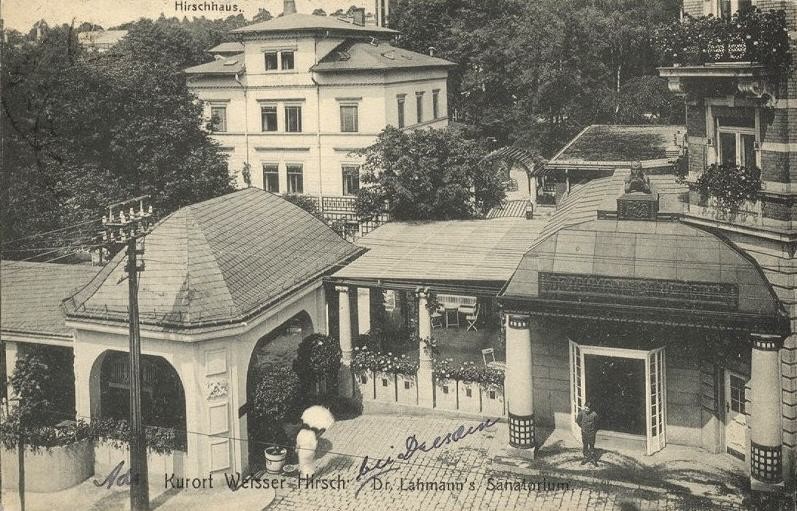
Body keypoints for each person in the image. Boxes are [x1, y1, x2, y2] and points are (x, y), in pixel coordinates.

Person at [576, 401, 599, 466]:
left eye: (588, 409)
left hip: (591, 433)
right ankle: (585, 458)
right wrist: (582, 427)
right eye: (585, 408)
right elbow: (578, 421)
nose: (586, 410)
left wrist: (594, 430)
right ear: (584, 407)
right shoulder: (581, 413)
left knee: (591, 445)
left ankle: (592, 459)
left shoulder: (594, 414)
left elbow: (597, 423)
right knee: (585, 445)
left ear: (590, 409)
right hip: (584, 433)